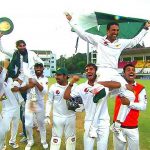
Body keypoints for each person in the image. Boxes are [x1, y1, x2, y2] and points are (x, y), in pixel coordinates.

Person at [65, 12, 150, 142]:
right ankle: (93, 126)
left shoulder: (120, 43)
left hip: (115, 72)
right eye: (113, 30)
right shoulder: (99, 40)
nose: (115, 32)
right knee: (102, 94)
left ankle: (117, 126)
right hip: (102, 70)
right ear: (107, 30)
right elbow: (83, 34)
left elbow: (134, 41)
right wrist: (71, 21)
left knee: (130, 95)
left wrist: (145, 29)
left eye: (117, 30)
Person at [63, 63, 124, 150]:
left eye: (91, 69)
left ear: (96, 71)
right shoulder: (81, 87)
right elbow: (66, 97)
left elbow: (118, 84)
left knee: (102, 147)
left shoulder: (102, 85)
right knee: (88, 147)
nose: (88, 71)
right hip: (89, 121)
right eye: (87, 70)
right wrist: (71, 82)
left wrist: (99, 83)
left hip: (103, 121)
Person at [0, 34, 43, 143]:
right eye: (20, 46)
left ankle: (35, 124)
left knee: (32, 103)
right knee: (23, 107)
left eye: (24, 45)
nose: (22, 47)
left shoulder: (31, 54)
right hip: (19, 79)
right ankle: (26, 131)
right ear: (17, 47)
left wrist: (35, 73)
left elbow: (41, 62)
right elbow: (2, 49)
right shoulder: (14, 54)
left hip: (29, 80)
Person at [113, 63, 147, 150]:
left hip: (133, 127)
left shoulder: (140, 88)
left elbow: (143, 106)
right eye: (128, 70)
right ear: (124, 73)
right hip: (118, 127)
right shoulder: (118, 86)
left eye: (133, 70)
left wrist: (129, 103)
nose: (131, 71)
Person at [45, 68, 77, 150]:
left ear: (66, 76)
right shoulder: (53, 87)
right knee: (56, 140)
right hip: (57, 117)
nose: (56, 77)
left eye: (59, 75)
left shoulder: (74, 86)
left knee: (71, 140)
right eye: (56, 74)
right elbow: (49, 101)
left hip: (70, 117)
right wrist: (47, 115)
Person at [19, 62, 48, 150]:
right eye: (36, 67)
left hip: (39, 102)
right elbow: (22, 89)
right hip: (30, 102)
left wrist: (36, 83)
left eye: (40, 67)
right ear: (34, 69)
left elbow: (44, 92)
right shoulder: (28, 77)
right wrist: (29, 85)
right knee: (28, 124)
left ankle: (44, 141)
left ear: (43, 69)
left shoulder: (45, 78)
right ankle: (30, 141)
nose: (38, 68)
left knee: (41, 123)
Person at [0, 60, 20, 149]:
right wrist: (3, 97)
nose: (4, 72)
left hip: (16, 107)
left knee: (15, 126)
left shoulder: (10, 80)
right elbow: (1, 98)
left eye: (2, 70)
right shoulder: (0, 82)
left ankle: (12, 141)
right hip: (6, 109)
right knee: (5, 128)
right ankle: (2, 143)